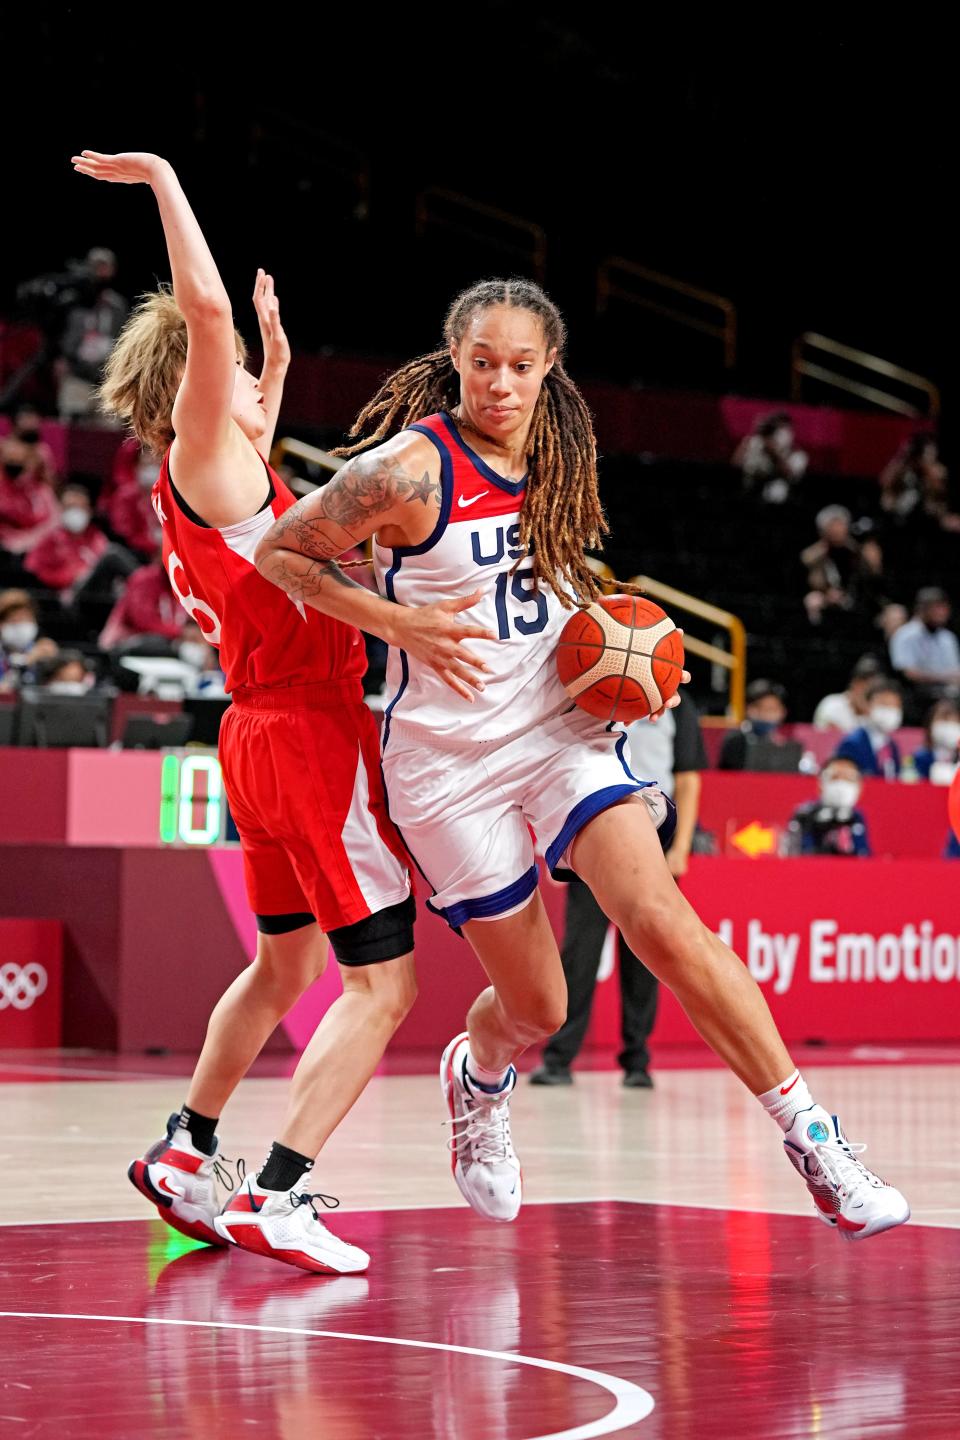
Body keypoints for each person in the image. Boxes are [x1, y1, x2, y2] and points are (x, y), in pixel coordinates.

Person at [256, 276, 908, 1243]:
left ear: (548, 365)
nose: (501, 385)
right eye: (482, 364)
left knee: (661, 918)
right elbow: (281, 554)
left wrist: (639, 668)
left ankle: (815, 1138)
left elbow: (563, 588)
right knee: (539, 1009)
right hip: (445, 761)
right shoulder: (405, 470)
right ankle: (478, 1077)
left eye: (521, 366)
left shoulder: (558, 457)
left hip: (561, 732)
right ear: (456, 359)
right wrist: (398, 621)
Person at [72, 147, 474, 1275]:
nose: (248, 381)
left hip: (259, 735)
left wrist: (278, 369)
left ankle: (188, 1152)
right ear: (198, 388)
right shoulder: (205, 454)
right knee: (384, 985)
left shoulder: (218, 482)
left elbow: (257, 479)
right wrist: (159, 178)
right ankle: (282, 1194)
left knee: (287, 967)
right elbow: (200, 310)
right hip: (308, 733)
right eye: (237, 372)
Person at [530, 693, 708, 1088]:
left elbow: (689, 777)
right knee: (580, 953)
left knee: (648, 956)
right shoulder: (594, 690)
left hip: (655, 838)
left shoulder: (678, 703)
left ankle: (637, 1061)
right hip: (594, 835)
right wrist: (552, 844)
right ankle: (558, 1059)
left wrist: (680, 848)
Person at [56, 246, 129, 420]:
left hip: (106, 382)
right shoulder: (73, 302)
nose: (101, 271)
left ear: (112, 270)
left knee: (107, 432)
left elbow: (122, 339)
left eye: (105, 266)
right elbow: (62, 334)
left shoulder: (117, 306)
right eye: (96, 266)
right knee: (71, 428)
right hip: (77, 377)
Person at [22, 482, 108, 592]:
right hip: (59, 596)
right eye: (70, 507)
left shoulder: (98, 539)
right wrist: (67, 577)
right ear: (61, 509)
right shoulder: (48, 539)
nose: (75, 512)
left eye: (80, 507)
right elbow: (33, 570)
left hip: (93, 593)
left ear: (90, 511)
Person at [889, 588, 960, 707]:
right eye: (937, 607)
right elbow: (909, 673)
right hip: (916, 694)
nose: (942, 612)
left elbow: (956, 672)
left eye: (944, 607)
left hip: (947, 692)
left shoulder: (948, 638)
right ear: (922, 609)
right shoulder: (904, 634)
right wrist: (943, 677)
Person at [786, 758, 871, 857]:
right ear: (820, 783)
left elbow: (863, 854)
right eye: (835, 777)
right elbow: (797, 852)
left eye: (848, 779)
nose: (841, 785)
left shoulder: (856, 817)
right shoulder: (805, 814)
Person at [718, 679, 800, 771]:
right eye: (766, 709)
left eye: (774, 709)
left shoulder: (786, 744)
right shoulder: (735, 741)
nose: (769, 715)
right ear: (750, 709)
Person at [733, 410, 808, 504]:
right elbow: (735, 464)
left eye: (784, 428)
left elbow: (790, 474)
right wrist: (746, 443)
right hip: (749, 492)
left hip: (777, 499)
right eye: (776, 428)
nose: (779, 433)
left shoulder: (798, 455)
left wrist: (773, 453)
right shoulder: (756, 443)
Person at [835, 679, 904, 779]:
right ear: (867, 705)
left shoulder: (893, 747)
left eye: (895, 706)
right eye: (884, 704)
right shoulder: (852, 743)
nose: (889, 711)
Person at [813, 655, 883, 733]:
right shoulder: (832, 704)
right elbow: (834, 741)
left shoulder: (877, 714)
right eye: (863, 683)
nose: (867, 692)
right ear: (854, 684)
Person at [912, 699, 960, 785]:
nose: (948, 727)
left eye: (953, 721)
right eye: (943, 720)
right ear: (930, 725)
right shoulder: (920, 757)